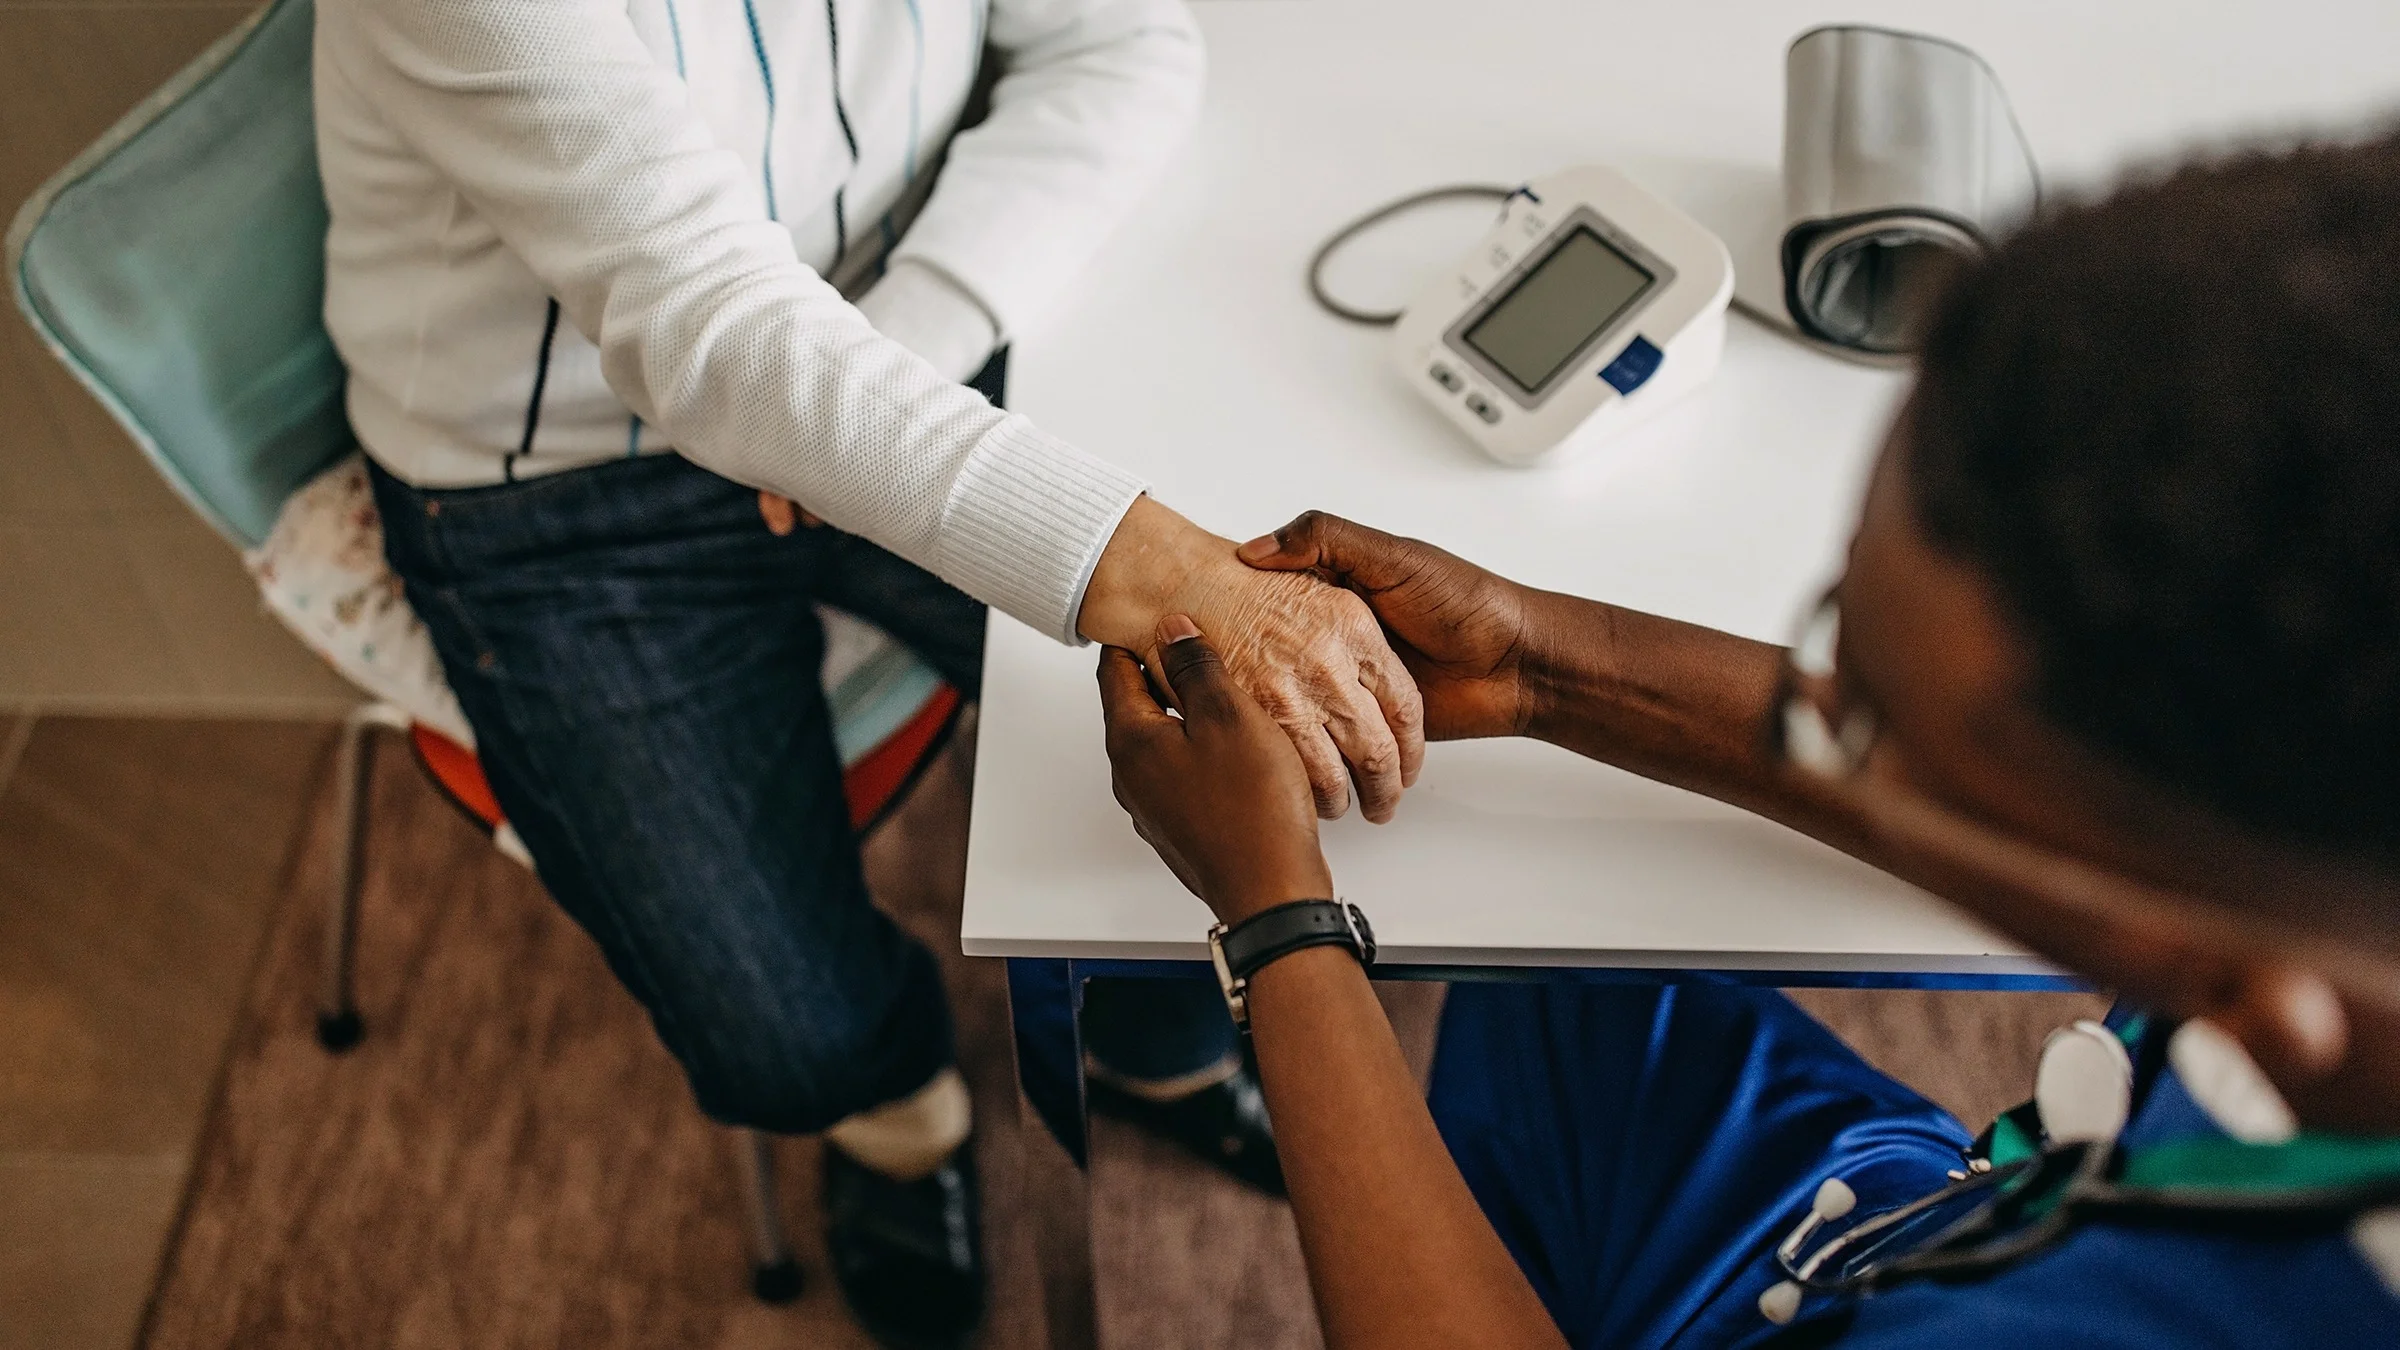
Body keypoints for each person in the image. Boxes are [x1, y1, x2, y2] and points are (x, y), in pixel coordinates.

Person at [1097, 134, 2400, 1347]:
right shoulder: (2330, 862)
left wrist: (1277, 926)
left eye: (1884, 736)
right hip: (1922, 1218)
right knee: (1561, 984)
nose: (1823, 722)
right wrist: (1542, 661)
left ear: (2250, 1006)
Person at [311, 0, 1422, 1342]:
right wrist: (1166, 570)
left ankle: (1152, 1034)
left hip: (906, 340)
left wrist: (907, 340)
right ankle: (898, 1114)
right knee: (777, 1031)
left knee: (1220, 760)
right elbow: (705, 324)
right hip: (555, 493)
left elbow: (1117, 40)